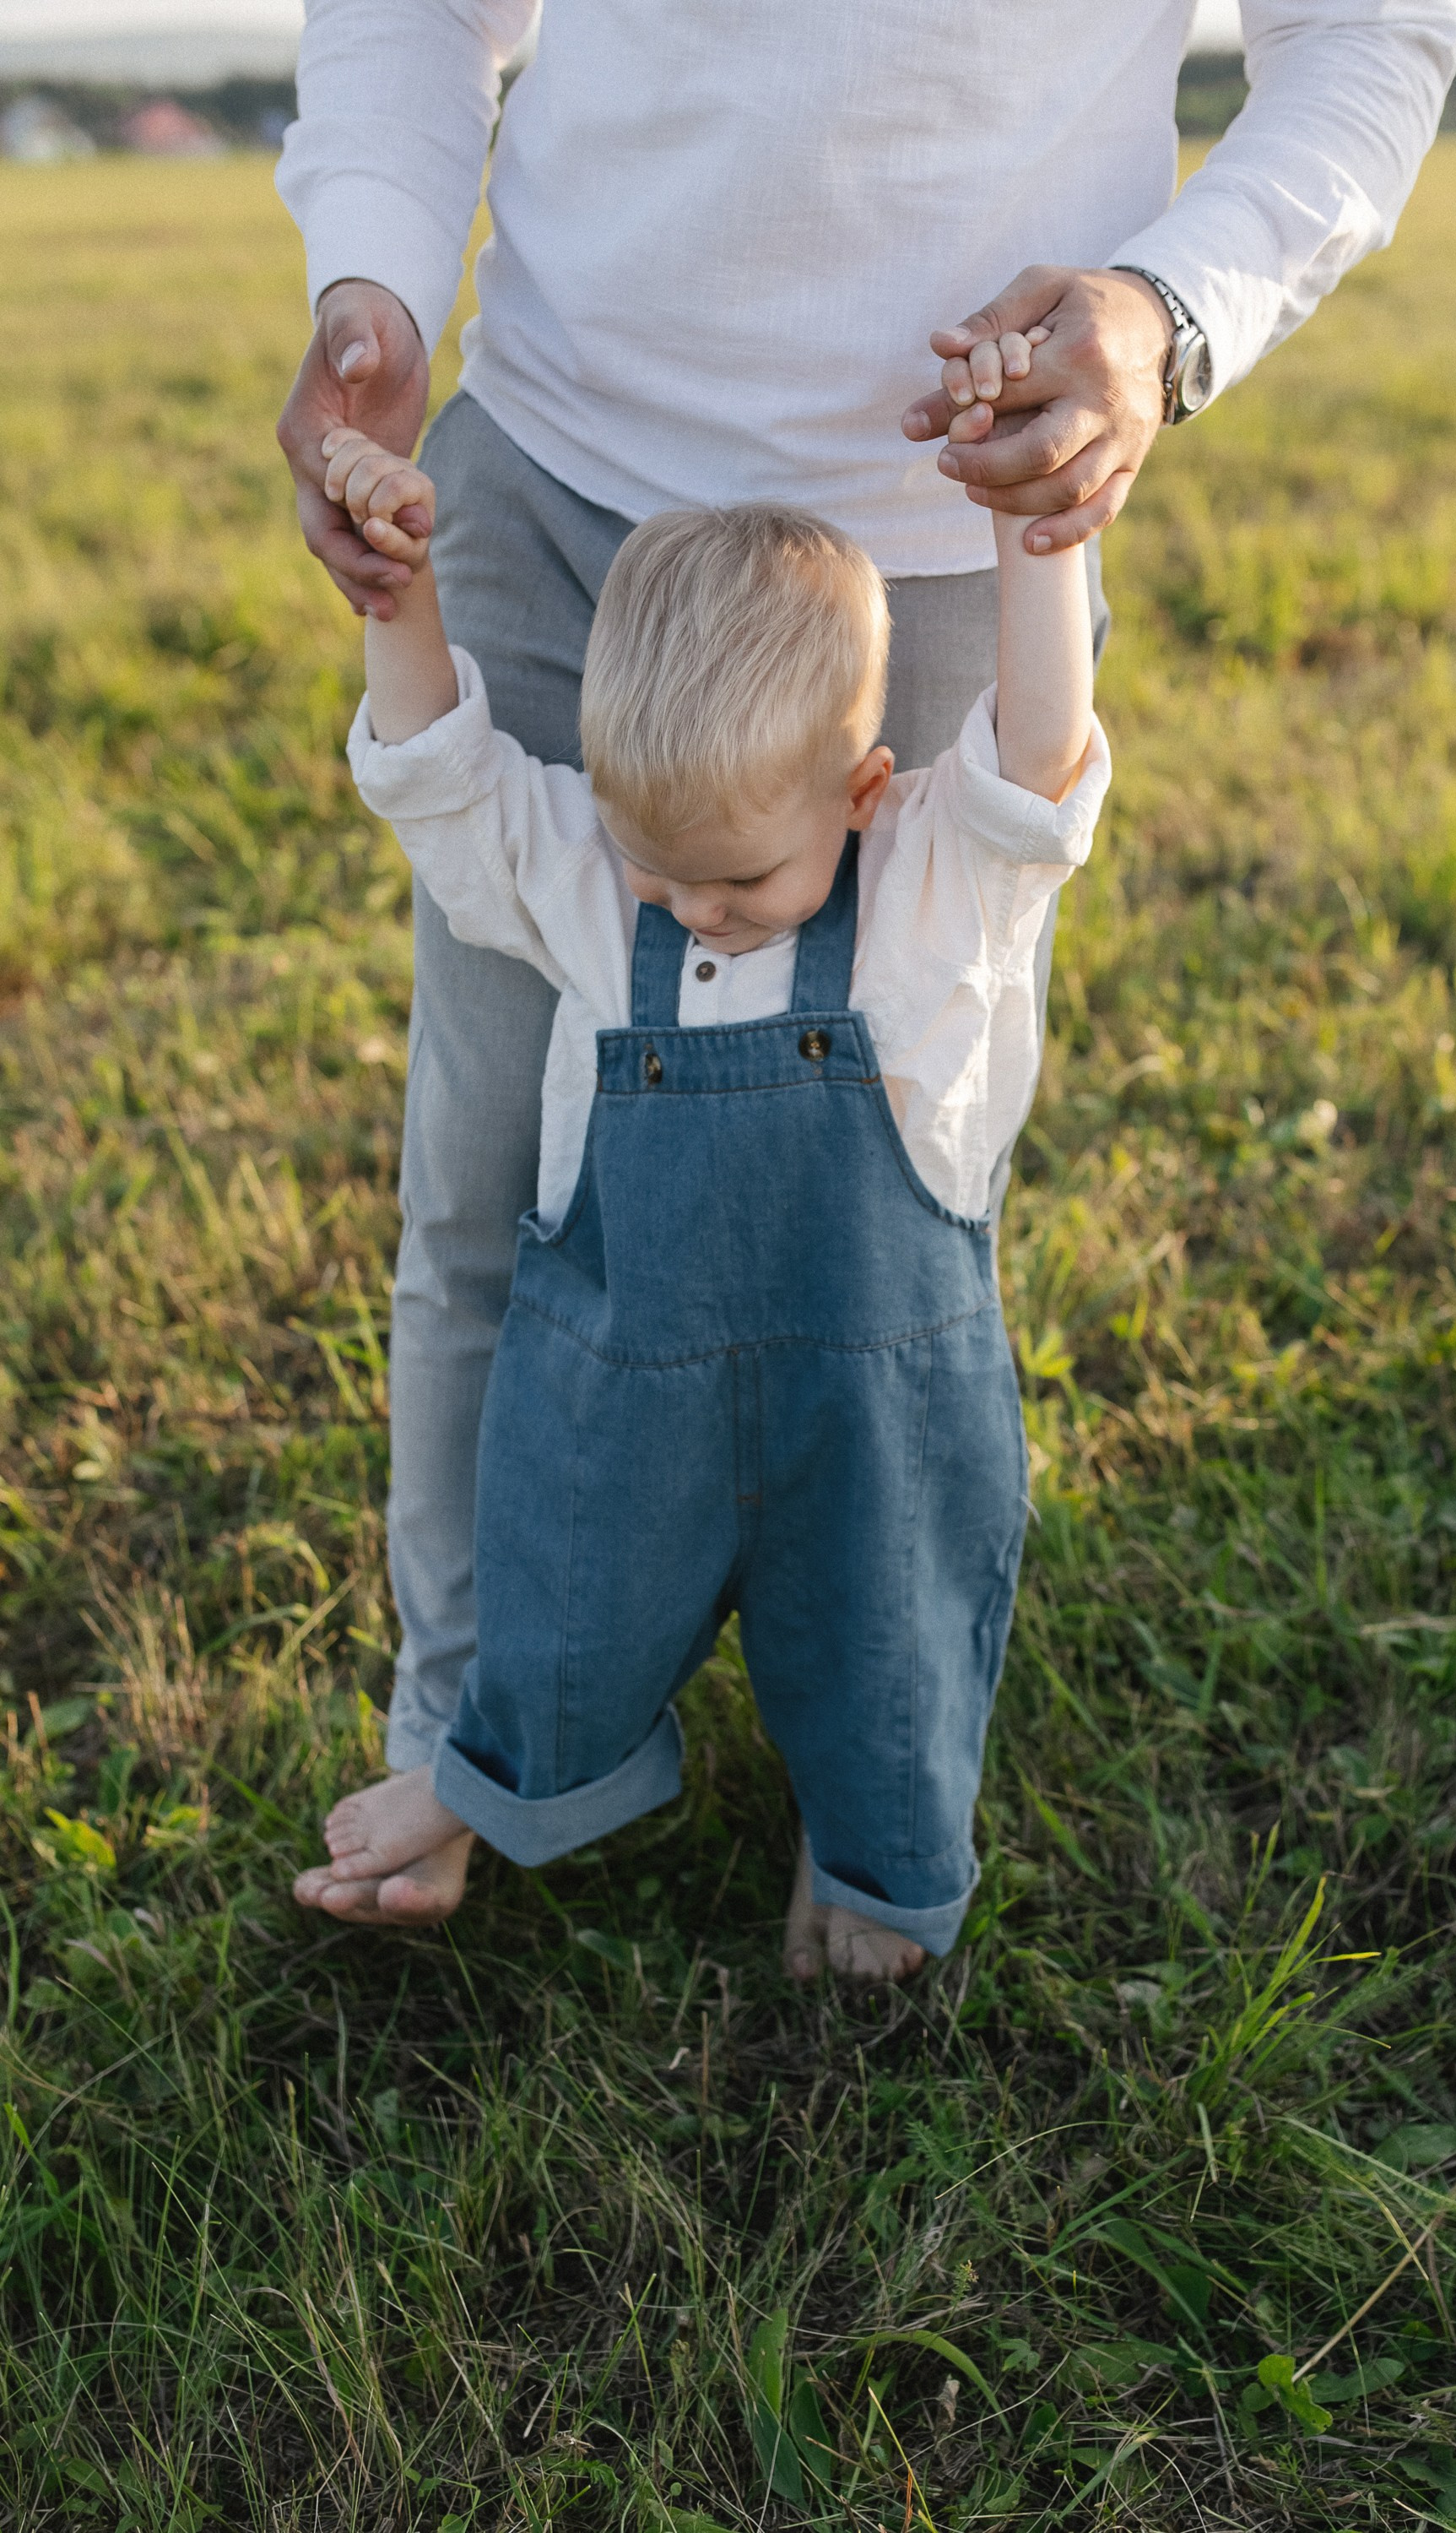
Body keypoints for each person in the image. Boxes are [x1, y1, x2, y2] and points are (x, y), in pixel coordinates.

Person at [274, 0, 1456, 1850]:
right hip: (563, 463)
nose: (689, 912)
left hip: (947, 520)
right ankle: (484, 1749)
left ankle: (879, 1778)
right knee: (496, 1178)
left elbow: (1368, 31)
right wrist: (375, 279)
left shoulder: (950, 787)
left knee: (882, 1246)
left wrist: (1156, 322)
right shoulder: (565, 841)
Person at [290, 402, 1110, 1977]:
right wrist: (401, 599)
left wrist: (1031, 536)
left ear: (865, 792)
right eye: (656, 873)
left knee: (891, 1649)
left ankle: (877, 1878)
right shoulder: (607, 891)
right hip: (631, 1405)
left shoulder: (940, 883)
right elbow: (448, 789)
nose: (694, 914)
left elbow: (1038, 761)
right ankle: (487, 1781)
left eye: (737, 883)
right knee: (562, 1593)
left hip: (870, 1410)